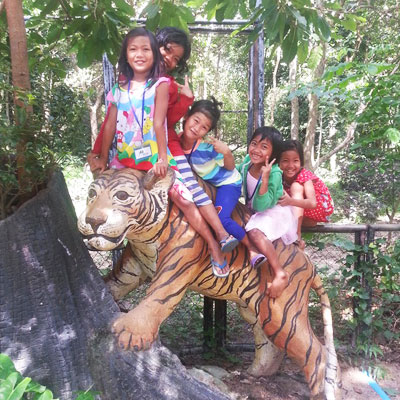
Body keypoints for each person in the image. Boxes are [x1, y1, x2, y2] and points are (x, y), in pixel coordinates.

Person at [89, 27, 233, 277]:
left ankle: (216, 242)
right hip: (130, 154)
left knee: (187, 197)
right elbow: (110, 122)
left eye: (176, 58)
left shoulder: (168, 86)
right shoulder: (124, 83)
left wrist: (187, 100)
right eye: (167, 50)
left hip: (163, 149)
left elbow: (167, 122)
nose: (170, 59)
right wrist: (97, 154)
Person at [180, 98, 267, 274]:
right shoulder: (176, 143)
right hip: (210, 185)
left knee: (221, 218)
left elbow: (229, 167)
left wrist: (226, 152)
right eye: (195, 121)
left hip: (228, 184)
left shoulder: (206, 146)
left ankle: (251, 249)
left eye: (204, 127)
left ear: (207, 131)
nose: (197, 128)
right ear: (186, 117)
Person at [237, 127, 298, 298]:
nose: (256, 150)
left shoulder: (275, 173)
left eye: (264, 147)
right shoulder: (248, 161)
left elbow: (263, 205)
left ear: (273, 154)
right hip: (253, 209)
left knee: (255, 232)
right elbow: (235, 173)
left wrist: (264, 179)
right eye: (254, 143)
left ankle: (279, 272)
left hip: (273, 212)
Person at [278, 139, 334, 248]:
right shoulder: (278, 176)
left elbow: (313, 203)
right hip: (305, 217)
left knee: (296, 186)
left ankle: (296, 236)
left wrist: (290, 201)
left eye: (295, 161)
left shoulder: (305, 176)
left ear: (301, 162)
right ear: (279, 162)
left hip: (319, 208)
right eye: (285, 160)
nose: (290, 165)